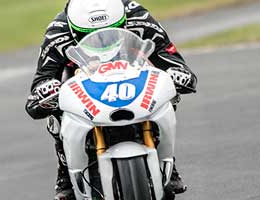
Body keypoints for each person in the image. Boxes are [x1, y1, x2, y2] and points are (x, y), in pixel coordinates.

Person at [25, 0, 197, 199]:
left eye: (112, 30)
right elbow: (40, 82)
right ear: (73, 31)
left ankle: (167, 160)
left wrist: (178, 73)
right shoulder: (57, 32)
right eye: (86, 35)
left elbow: (169, 56)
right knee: (54, 109)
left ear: (123, 21)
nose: (103, 44)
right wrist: (45, 91)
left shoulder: (139, 17)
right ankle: (64, 171)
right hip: (86, 86)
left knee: (168, 90)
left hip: (132, 78)